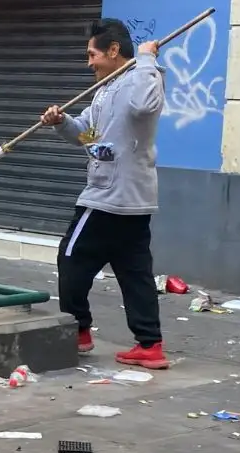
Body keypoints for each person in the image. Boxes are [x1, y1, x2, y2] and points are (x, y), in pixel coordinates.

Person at [41, 18, 168, 368]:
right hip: (129, 199)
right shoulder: (105, 90)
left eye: (92, 54)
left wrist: (146, 59)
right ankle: (149, 345)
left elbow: (144, 106)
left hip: (110, 198)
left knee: (71, 257)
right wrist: (62, 123)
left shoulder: (144, 78)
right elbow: (88, 136)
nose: (89, 63)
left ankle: (78, 329)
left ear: (114, 51)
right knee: (135, 273)